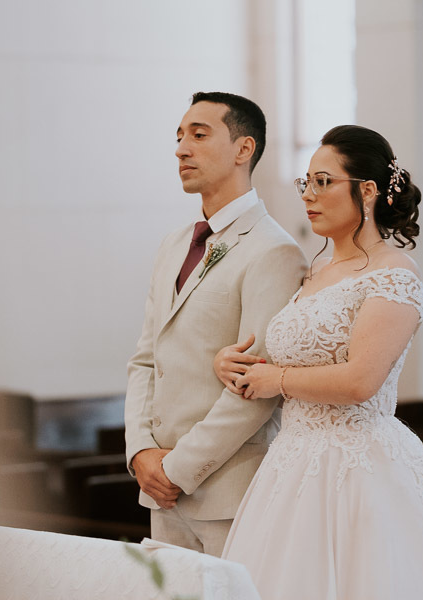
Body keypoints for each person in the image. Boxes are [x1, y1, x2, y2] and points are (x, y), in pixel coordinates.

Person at [218, 125, 423, 599]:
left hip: (360, 462)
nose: (309, 195)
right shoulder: (315, 270)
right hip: (291, 462)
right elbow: (296, 357)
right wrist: (236, 364)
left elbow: (362, 379)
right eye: (307, 182)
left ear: (366, 191)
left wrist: (274, 379)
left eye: (324, 181)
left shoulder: (395, 273)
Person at [124, 91, 307, 556]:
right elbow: (146, 360)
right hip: (161, 492)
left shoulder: (273, 251)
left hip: (227, 492)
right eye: (179, 136)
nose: (182, 148)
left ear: (244, 149)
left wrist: (178, 469)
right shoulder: (174, 244)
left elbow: (254, 390)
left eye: (199, 135)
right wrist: (141, 452)